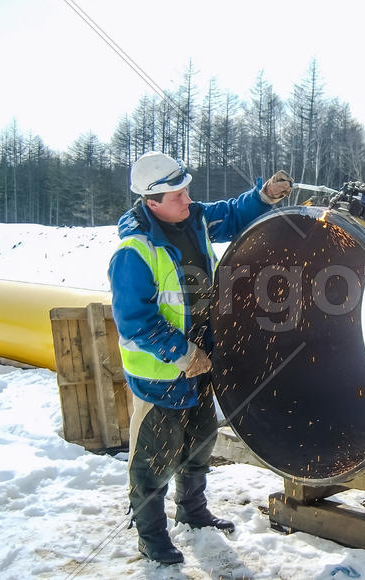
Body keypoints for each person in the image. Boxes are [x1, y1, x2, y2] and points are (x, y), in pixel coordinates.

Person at [108, 151, 292, 564]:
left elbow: (230, 214)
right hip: (161, 374)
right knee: (154, 458)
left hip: (202, 364)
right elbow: (136, 320)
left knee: (199, 443)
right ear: (151, 201)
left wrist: (263, 196)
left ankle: (192, 511)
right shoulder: (134, 252)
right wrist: (181, 352)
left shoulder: (192, 218)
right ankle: (151, 535)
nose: (187, 198)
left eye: (187, 189)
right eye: (177, 194)